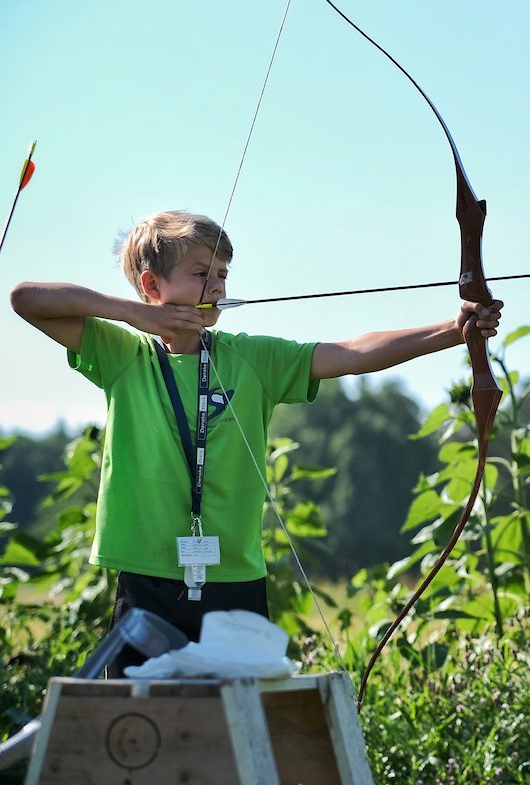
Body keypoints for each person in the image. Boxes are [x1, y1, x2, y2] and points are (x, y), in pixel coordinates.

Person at [9, 210, 502, 675]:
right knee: (142, 725)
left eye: (223, 273)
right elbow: (26, 298)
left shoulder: (251, 358)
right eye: (200, 272)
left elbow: (350, 353)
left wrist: (452, 331)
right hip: (146, 578)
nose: (217, 285)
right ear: (151, 285)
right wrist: (134, 316)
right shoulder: (123, 354)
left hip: (234, 579)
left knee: (239, 723)